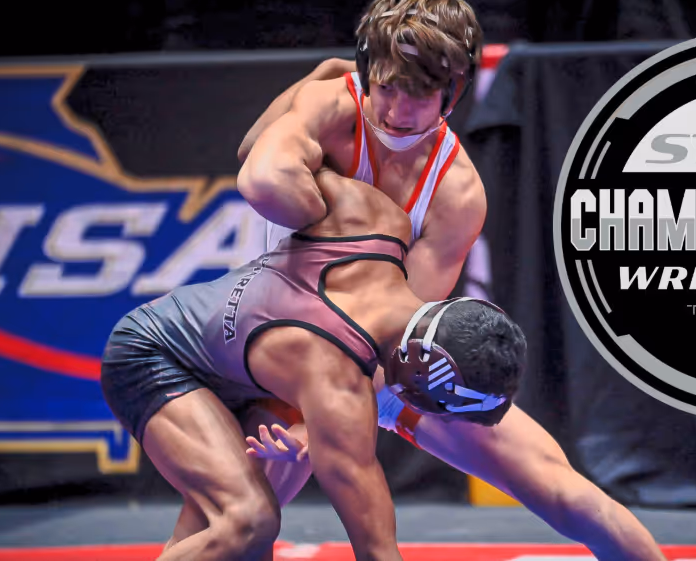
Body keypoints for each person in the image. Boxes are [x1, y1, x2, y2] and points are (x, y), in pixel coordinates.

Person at [236, 0, 669, 559]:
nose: (397, 112)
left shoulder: (456, 191)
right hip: (281, 346)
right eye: (386, 87)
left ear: (454, 89)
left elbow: (399, 341)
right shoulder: (330, 105)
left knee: (562, 490)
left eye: (419, 94)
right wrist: (313, 94)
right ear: (367, 72)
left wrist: (320, 424)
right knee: (240, 521)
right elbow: (254, 165)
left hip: (379, 365)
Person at [100, 167, 528, 561]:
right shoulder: (337, 383)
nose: (433, 414)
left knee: (229, 538)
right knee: (248, 521)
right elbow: (377, 550)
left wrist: (316, 104)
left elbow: (260, 155)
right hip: (153, 355)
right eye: (440, 407)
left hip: (238, 370)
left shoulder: (376, 221)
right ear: (420, 375)